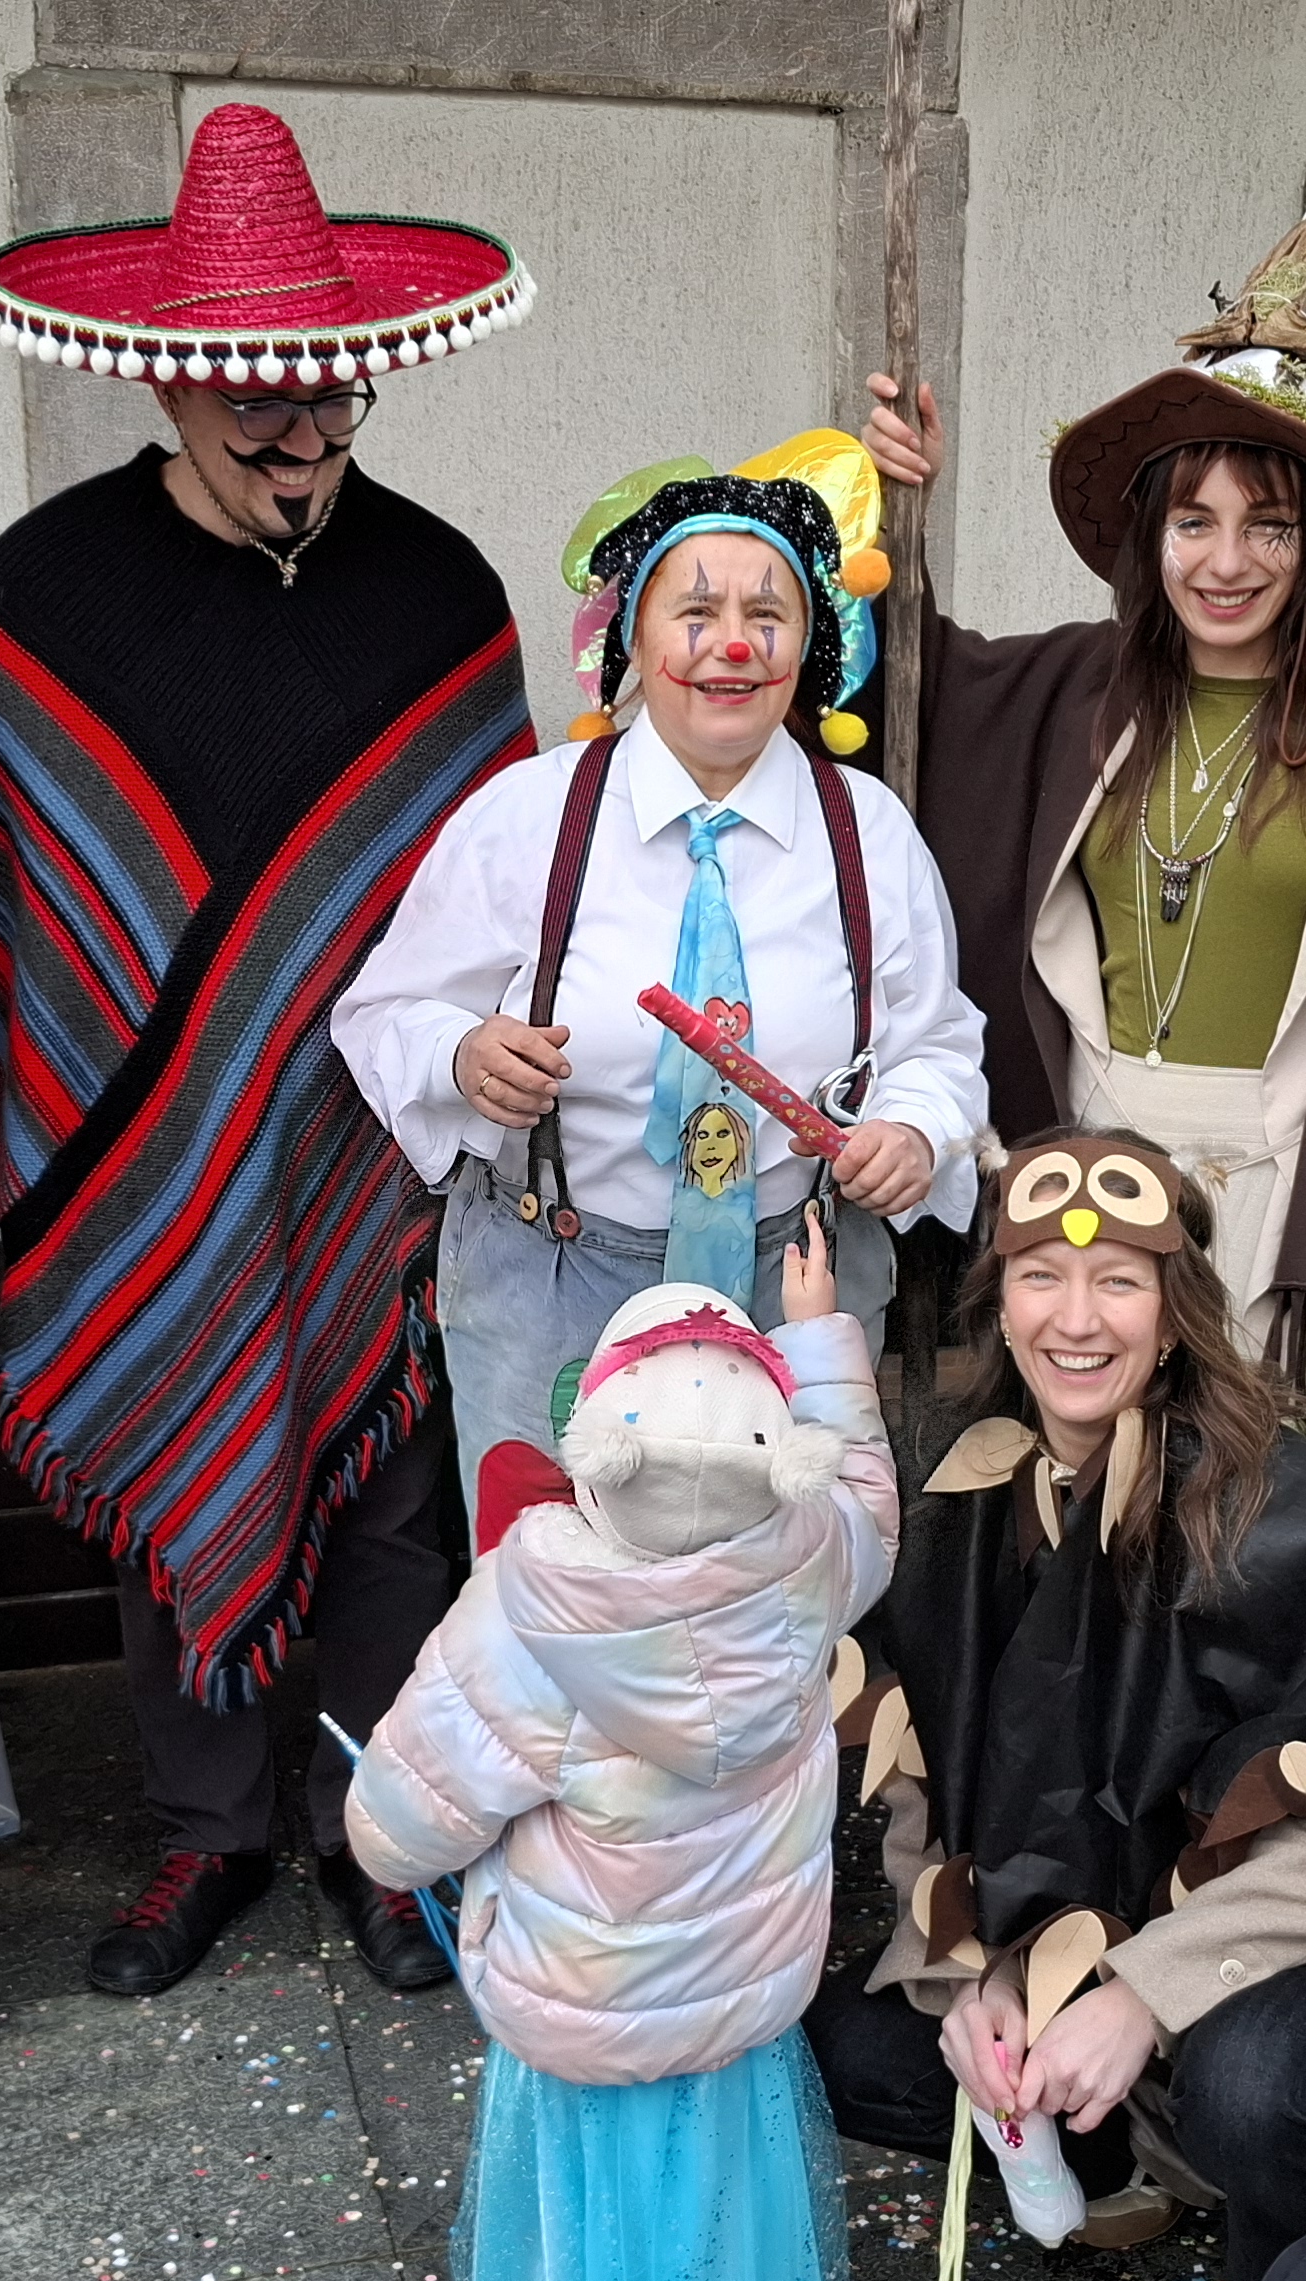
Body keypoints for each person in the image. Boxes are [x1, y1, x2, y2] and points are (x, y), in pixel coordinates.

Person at [0, 102, 539, 2000]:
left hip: (376, 1133)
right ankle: (204, 1837)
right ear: (164, 378)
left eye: (332, 402)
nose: (301, 441)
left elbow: (501, 878)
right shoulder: (44, 589)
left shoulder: (440, 593)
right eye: (256, 409)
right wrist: (9, 1101)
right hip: (141, 1135)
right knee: (168, 1405)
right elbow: (13, 885)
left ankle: (382, 1837)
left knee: (389, 1503)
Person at [804, 1133, 1306, 2281]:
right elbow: (930, 1789)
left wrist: (1144, 1996)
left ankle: (1299, 2249)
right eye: (1042, 1276)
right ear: (1001, 1302)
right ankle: (1119, 2158)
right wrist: (977, 1982)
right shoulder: (966, 1503)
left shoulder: (1284, 1511)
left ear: (1172, 1314)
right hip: (1071, 1934)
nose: (1077, 1318)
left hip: (1296, 1946)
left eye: (1118, 1280)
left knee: (1255, 2089)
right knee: (855, 2049)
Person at [858, 144, 1306, 1374]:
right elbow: (907, 689)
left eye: (1268, 526)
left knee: (1257, 1458)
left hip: (1292, 1168)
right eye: (1193, 521)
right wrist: (901, 518)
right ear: (1150, 534)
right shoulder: (1080, 685)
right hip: (1090, 1155)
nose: (1226, 563)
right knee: (1091, 1445)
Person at [332, 448, 985, 1498]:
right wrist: (460, 1055)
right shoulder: (526, 817)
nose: (734, 643)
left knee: (783, 1580)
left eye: (767, 613)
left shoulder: (868, 834)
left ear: (811, 643)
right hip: (554, 1288)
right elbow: (382, 1011)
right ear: (631, 637)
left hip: (797, 1289)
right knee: (556, 1578)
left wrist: (912, 1130)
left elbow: (936, 1043)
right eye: (695, 611)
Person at [343, 1214, 894, 2281]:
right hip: (738, 2021)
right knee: (726, 2229)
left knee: (587, 2241)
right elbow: (869, 1494)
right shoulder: (818, 1561)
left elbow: (397, 1836)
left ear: (595, 1447)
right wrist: (819, 1334)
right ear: (782, 1461)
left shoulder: (522, 1609)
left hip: (581, 2027)